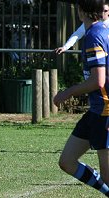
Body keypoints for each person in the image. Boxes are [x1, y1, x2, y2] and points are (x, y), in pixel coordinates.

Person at [53, 0, 109, 196]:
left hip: (106, 112)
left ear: (81, 11)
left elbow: (98, 81)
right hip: (96, 111)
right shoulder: (101, 30)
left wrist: (66, 93)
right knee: (67, 161)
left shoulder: (95, 35)